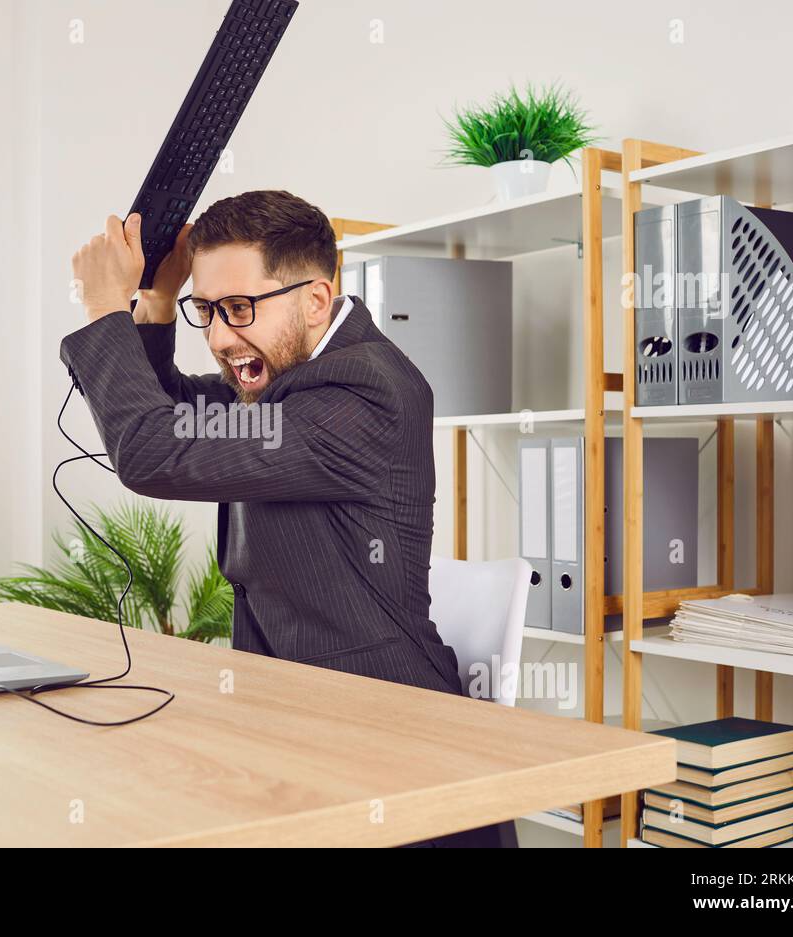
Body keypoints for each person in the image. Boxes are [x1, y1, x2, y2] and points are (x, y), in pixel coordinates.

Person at [62, 189, 511, 847]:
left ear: (316, 300)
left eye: (239, 308)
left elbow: (155, 449)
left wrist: (106, 309)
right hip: (293, 728)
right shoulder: (281, 382)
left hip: (398, 758)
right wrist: (156, 307)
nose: (218, 336)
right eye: (207, 311)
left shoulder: (366, 392)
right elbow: (177, 410)